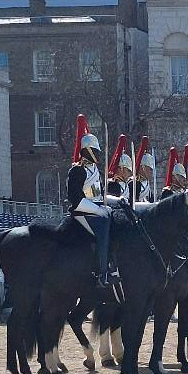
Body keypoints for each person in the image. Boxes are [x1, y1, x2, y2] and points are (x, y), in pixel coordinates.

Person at [67, 120, 119, 288]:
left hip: (96, 209)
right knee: (103, 226)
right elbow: (75, 199)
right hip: (82, 212)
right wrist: (98, 210)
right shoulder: (77, 170)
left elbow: (100, 195)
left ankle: (113, 264)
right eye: (95, 150)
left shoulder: (96, 170)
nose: (98, 153)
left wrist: (117, 202)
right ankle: (101, 273)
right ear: (87, 150)